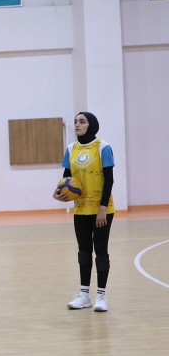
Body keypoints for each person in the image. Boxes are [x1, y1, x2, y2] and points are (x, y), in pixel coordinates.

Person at [56, 111, 116, 312]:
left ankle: (101, 297)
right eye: (75, 122)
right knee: (83, 251)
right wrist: (58, 193)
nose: (77, 125)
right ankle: (84, 296)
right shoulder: (70, 149)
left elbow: (109, 180)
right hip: (81, 209)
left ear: (92, 125)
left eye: (82, 121)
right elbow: (66, 178)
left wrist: (102, 208)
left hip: (101, 209)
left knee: (101, 250)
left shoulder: (103, 147)